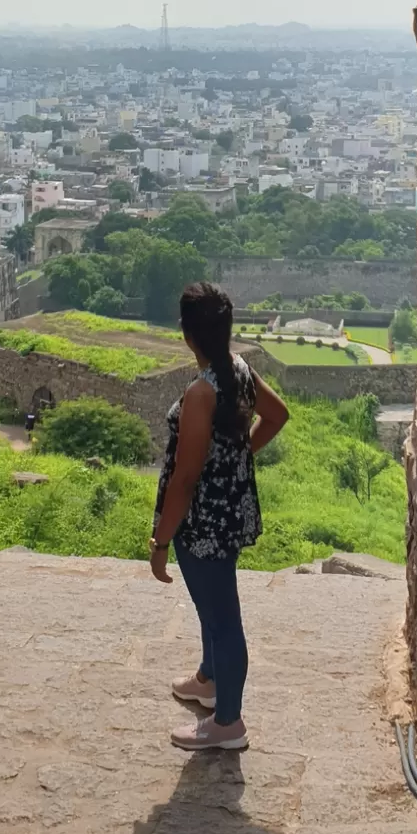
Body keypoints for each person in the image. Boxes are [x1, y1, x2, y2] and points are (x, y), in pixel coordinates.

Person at [149, 281, 289, 752]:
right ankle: (209, 680)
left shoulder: (200, 394)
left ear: (188, 335)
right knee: (212, 605)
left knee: (223, 617)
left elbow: (185, 479)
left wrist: (161, 542)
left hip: (202, 519)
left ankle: (228, 722)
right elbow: (277, 415)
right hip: (229, 507)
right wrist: (237, 455)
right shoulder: (240, 371)